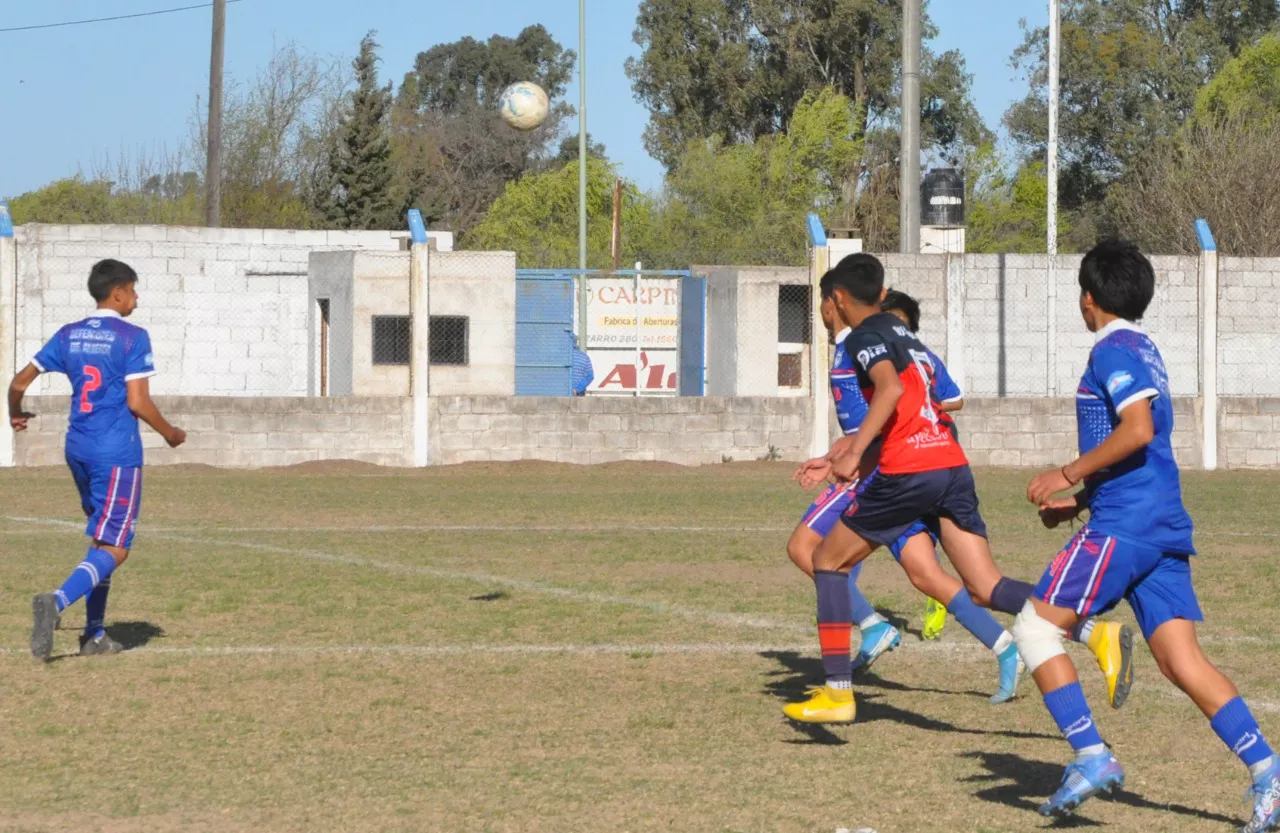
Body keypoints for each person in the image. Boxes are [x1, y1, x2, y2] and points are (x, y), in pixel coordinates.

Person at [783, 253, 1129, 724]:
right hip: (950, 465)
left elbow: (889, 394)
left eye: (827, 301)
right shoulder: (908, 338)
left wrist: (852, 455)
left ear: (838, 299)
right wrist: (849, 455)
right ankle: (1093, 632)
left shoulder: (865, 335)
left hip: (908, 471)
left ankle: (839, 692)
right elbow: (922, 407)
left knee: (824, 558)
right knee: (986, 585)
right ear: (882, 295)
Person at [1014, 239, 1280, 830]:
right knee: (1180, 660)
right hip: (1158, 521)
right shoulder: (1146, 349)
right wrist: (1079, 500)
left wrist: (1067, 471)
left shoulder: (1111, 353)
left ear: (1089, 299)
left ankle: (1090, 755)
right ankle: (1269, 771)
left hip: (1128, 524)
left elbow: (1135, 430)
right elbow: (1145, 443)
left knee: (1034, 628)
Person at [783, 268, 1023, 723]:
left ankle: (866, 640)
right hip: (912, 463)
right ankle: (1009, 644)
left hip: (884, 469)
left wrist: (852, 454)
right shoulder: (879, 344)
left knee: (811, 551)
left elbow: (911, 400)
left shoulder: (866, 343)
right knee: (929, 575)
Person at [8, 259, 186, 660]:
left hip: (79, 448)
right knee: (118, 545)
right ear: (118, 292)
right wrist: (170, 433)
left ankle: (94, 635)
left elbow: (18, 382)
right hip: (116, 453)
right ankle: (56, 601)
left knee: (102, 540)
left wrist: (14, 413)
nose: (137, 298)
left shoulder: (68, 334)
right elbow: (137, 401)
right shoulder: (132, 337)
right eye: (134, 290)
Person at [879, 289, 962, 640]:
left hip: (921, 458)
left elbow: (955, 399)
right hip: (932, 459)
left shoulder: (920, 357)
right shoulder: (881, 359)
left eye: (900, 321)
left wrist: (923, 413)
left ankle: (939, 589)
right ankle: (939, 590)